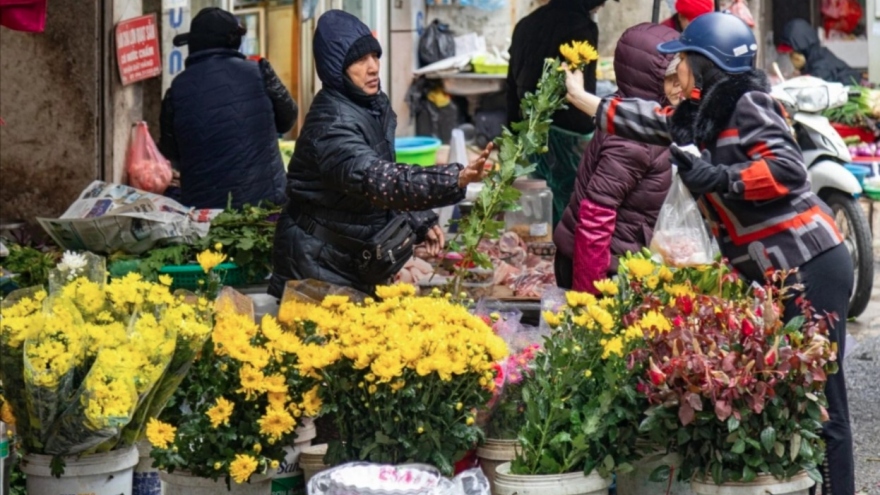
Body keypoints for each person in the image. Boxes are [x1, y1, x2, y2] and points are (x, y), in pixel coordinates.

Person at [563, 12, 853, 495]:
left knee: (824, 398)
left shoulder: (749, 104)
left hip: (811, 261)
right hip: (776, 271)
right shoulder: (699, 117)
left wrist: (726, 179)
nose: (673, 69)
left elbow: (787, 170)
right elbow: (648, 120)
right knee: (793, 392)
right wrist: (583, 98)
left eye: (682, 61)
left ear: (705, 65)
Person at [269, 10, 491, 298]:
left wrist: (417, 217)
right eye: (360, 60)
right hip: (316, 263)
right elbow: (376, 179)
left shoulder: (369, 105)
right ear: (337, 68)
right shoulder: (332, 124)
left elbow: (381, 173)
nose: (373, 67)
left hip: (346, 255)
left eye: (375, 56)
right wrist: (454, 178)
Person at [554, 23, 679, 292]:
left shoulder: (634, 113)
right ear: (649, 80)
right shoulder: (633, 140)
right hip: (603, 272)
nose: (680, 86)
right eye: (671, 79)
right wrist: (587, 301)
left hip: (620, 260)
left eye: (684, 74)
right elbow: (595, 217)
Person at [158, 7, 296, 209]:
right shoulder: (259, 71)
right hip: (267, 206)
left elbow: (171, 152)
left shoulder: (177, 89)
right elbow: (288, 119)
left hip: (204, 213)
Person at [506, 0, 614, 227]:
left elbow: (510, 86)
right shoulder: (582, 28)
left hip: (532, 128)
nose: (602, 5)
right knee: (570, 206)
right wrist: (590, 134)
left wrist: (513, 133)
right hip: (569, 134)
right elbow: (583, 91)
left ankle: (545, 252)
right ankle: (563, 257)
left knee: (540, 202)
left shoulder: (526, 24)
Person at [781, 18, 863, 85]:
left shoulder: (821, 66)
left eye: (792, 53)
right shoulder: (816, 56)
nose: (791, 57)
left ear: (802, 50)